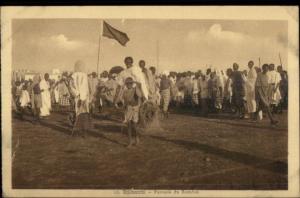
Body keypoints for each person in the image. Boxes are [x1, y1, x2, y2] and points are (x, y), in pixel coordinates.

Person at [70, 60, 90, 137]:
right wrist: (82, 97)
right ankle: (83, 131)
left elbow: (72, 87)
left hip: (78, 97)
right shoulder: (84, 75)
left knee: (78, 113)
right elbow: (84, 88)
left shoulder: (74, 75)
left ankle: (80, 131)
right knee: (84, 114)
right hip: (83, 98)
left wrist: (76, 95)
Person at [122, 77, 143, 147]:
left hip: (135, 108)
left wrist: (137, 86)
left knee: (134, 125)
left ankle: (137, 138)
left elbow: (140, 95)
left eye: (130, 83)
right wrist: (124, 109)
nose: (128, 85)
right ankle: (130, 141)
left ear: (132, 84)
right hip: (128, 108)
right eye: (127, 84)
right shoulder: (125, 92)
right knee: (128, 125)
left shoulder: (135, 90)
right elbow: (125, 102)